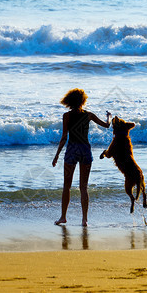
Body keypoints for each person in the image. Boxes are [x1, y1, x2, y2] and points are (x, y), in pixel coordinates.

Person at [52, 88, 111, 227]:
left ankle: (63, 217)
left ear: (69, 101)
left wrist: (56, 156)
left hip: (72, 150)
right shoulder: (88, 115)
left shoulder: (66, 116)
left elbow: (64, 137)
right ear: (83, 100)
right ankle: (84, 219)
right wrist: (109, 115)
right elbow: (107, 125)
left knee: (66, 186)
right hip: (85, 150)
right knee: (83, 187)